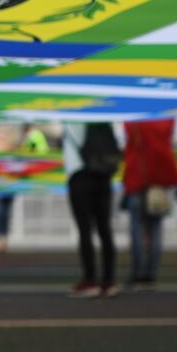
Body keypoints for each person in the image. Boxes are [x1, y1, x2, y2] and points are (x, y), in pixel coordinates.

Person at [122, 118, 177, 291]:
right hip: (160, 182)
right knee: (156, 230)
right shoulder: (166, 120)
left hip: (137, 178)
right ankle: (151, 274)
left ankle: (137, 273)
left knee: (137, 230)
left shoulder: (134, 120)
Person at [63, 121, 120, 298]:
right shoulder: (103, 116)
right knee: (105, 229)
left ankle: (90, 280)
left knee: (85, 230)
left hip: (80, 175)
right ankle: (109, 280)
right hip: (103, 174)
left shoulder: (70, 116)